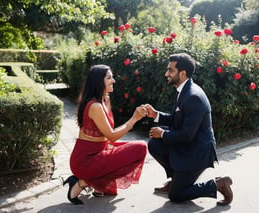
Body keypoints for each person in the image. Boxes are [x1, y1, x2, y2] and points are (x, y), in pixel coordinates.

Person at [144, 53, 233, 205]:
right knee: (154, 143)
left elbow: (187, 135)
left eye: (170, 70)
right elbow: (177, 119)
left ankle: (218, 184)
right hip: (187, 147)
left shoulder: (193, 96)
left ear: (182, 73)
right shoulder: (184, 90)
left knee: (176, 196)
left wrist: (163, 133)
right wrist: (156, 115)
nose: (166, 74)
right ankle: (177, 180)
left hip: (196, 152)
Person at [63, 64, 147, 205]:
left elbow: (107, 136)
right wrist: (135, 118)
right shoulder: (95, 105)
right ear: (98, 82)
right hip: (86, 161)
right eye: (109, 78)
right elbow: (112, 136)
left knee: (112, 185)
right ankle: (81, 182)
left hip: (100, 151)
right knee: (140, 147)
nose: (113, 80)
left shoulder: (104, 99)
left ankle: (96, 183)